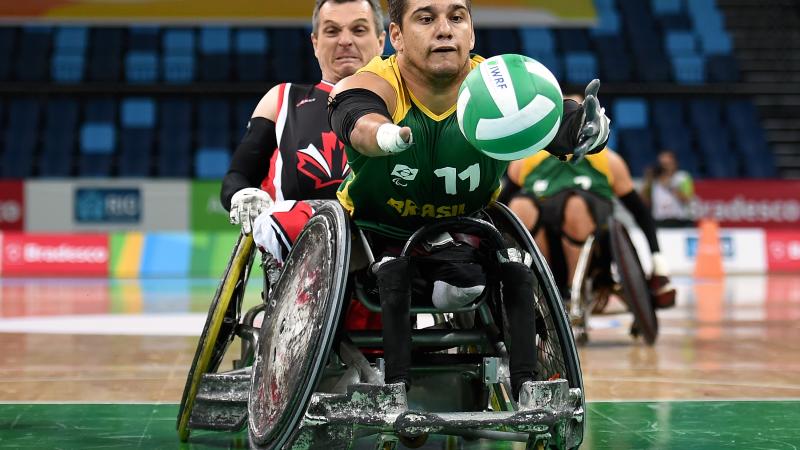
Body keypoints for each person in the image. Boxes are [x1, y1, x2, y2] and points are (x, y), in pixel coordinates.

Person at [327, 0, 610, 400]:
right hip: (376, 237)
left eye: (456, 17)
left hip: (462, 234)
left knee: (514, 269)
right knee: (395, 271)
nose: (445, 29)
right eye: (426, 18)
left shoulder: (492, 84)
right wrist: (382, 134)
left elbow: (550, 118)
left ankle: (529, 387)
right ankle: (395, 389)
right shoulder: (381, 80)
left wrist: (585, 130)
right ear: (395, 36)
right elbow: (356, 113)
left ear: (471, 32)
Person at [220, 0, 386, 262]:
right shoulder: (281, 100)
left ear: (381, 41)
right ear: (315, 43)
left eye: (358, 30)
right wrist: (244, 194)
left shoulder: (406, 102)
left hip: (388, 271)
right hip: (302, 275)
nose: (345, 40)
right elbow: (238, 176)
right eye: (332, 31)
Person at [504, 142, 677, 311]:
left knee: (575, 206)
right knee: (520, 205)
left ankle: (573, 291)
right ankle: (541, 287)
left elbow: (640, 213)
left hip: (593, 247)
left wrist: (657, 257)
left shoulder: (608, 160)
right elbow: (499, 207)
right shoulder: (527, 160)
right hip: (544, 243)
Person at [643, 149, 696, 228]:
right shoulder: (654, 180)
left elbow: (687, 200)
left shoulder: (683, 177)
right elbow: (645, 202)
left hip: (679, 220)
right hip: (659, 221)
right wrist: (648, 182)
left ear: (675, 163)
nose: (665, 168)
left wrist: (670, 186)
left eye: (667, 164)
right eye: (662, 164)